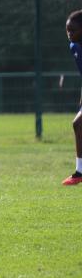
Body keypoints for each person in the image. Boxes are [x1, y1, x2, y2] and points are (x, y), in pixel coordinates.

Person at [63, 10, 82, 185]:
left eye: (73, 30)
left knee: (78, 124)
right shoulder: (74, 47)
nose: (70, 34)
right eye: (68, 30)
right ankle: (79, 172)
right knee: (78, 125)